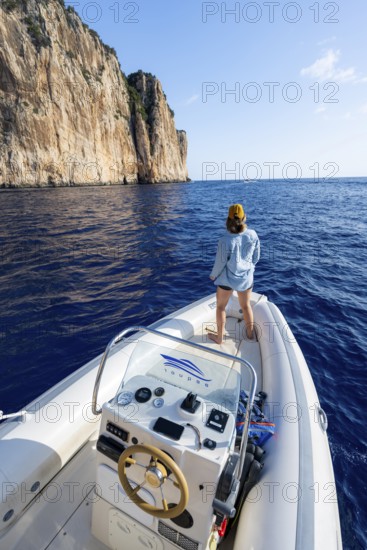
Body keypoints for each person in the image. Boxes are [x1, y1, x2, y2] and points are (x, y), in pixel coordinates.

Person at [209, 203, 260, 344]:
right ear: (244, 217)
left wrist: (213, 275)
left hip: (227, 280)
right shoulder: (253, 235)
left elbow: (220, 263)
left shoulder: (225, 240)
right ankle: (250, 336)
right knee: (246, 306)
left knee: (220, 307)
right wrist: (249, 268)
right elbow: (256, 257)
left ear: (228, 220)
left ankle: (219, 339)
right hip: (246, 279)